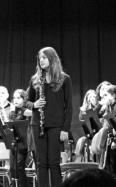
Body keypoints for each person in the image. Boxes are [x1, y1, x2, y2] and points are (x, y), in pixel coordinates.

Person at [25, 46, 73, 187]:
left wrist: (65, 129)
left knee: (54, 162)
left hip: (56, 125)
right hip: (37, 125)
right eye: (39, 58)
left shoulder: (64, 79)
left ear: (52, 59)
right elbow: (26, 102)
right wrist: (34, 105)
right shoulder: (35, 79)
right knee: (41, 163)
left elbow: (69, 107)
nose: (41, 61)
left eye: (44, 58)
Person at [9, 89, 32, 187]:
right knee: (12, 168)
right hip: (14, 142)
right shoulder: (13, 110)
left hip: (23, 143)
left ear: (24, 99)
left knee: (20, 167)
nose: (15, 100)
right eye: (14, 98)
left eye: (18, 98)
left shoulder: (25, 110)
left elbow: (31, 114)